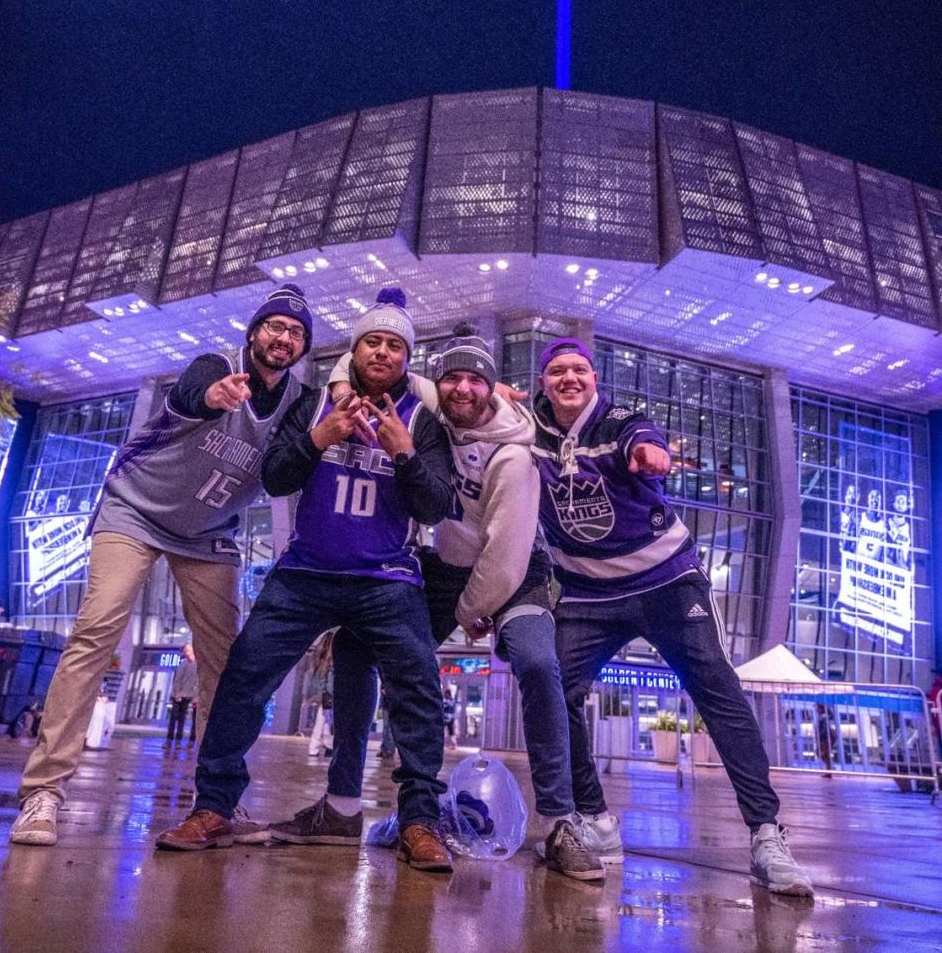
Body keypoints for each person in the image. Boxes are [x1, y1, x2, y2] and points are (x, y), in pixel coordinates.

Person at [155, 287, 457, 873]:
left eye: (396, 346)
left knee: (418, 690)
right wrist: (320, 438)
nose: (383, 352)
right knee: (244, 677)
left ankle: (420, 821)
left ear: (406, 360)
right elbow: (274, 477)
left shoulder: (422, 421)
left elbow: (438, 505)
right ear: (355, 347)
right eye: (373, 340)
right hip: (306, 570)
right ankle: (215, 806)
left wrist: (404, 454)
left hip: (386, 576)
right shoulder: (316, 402)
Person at [10, 285, 311, 847]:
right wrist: (213, 395)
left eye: (296, 332)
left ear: (302, 346)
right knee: (96, 631)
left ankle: (217, 802)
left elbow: (285, 471)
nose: (284, 337)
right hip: (136, 509)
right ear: (254, 333)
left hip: (207, 532)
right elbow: (192, 391)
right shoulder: (218, 365)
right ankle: (43, 792)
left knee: (228, 658)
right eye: (274, 326)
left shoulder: (297, 401)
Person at [532, 337, 813, 897]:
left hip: (664, 580)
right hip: (587, 592)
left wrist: (652, 454)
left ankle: (765, 833)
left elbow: (645, 436)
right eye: (557, 370)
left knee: (719, 693)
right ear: (542, 382)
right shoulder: (529, 431)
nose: (569, 378)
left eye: (580, 369)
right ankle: (595, 818)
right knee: (552, 687)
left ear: (594, 378)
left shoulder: (619, 420)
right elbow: (485, 402)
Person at [322, 326, 605, 881]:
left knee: (538, 663)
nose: (463, 388)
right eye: (453, 376)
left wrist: (469, 611)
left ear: (493, 388)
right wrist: (337, 391)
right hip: (446, 569)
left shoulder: (514, 455)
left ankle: (558, 824)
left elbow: (502, 555)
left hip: (516, 573)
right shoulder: (438, 406)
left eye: (478, 379)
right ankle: (348, 804)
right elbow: (358, 369)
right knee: (357, 642)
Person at [166, 645, 199, 745]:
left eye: (188, 651)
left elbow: (198, 682)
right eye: (185, 651)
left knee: (183, 719)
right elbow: (177, 680)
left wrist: (196, 697)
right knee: (174, 718)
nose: (187, 653)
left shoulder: (197, 665)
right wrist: (177, 694)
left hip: (189, 696)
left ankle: (181, 741)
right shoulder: (183, 664)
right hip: (179, 696)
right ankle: (170, 740)